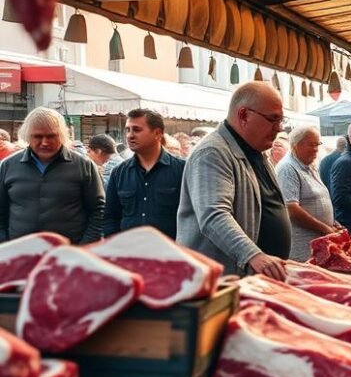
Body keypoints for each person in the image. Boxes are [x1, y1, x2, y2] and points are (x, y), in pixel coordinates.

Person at [177, 81, 292, 278]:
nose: (278, 128)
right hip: (223, 283)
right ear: (243, 115)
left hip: (260, 281)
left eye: (281, 120)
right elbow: (214, 215)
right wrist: (253, 255)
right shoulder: (212, 152)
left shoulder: (257, 152)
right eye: (272, 119)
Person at [0, 107, 104, 243]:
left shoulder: (83, 166)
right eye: (37, 136)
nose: (44, 142)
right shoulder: (8, 166)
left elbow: (99, 211)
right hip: (21, 255)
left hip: (69, 256)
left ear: (61, 135)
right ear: (27, 136)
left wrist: (84, 248)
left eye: (51, 136)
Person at [104, 108, 185, 237]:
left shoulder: (182, 170)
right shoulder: (119, 173)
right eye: (128, 130)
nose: (130, 135)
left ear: (157, 133)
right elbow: (111, 218)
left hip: (168, 253)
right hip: (129, 252)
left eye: (137, 130)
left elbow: (190, 218)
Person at [276, 125, 339, 261]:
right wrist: (324, 228)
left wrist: (333, 223)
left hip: (318, 246)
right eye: (311, 145)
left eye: (317, 144)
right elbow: (291, 209)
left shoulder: (310, 166)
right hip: (302, 250)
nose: (316, 149)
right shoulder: (287, 168)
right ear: (295, 146)